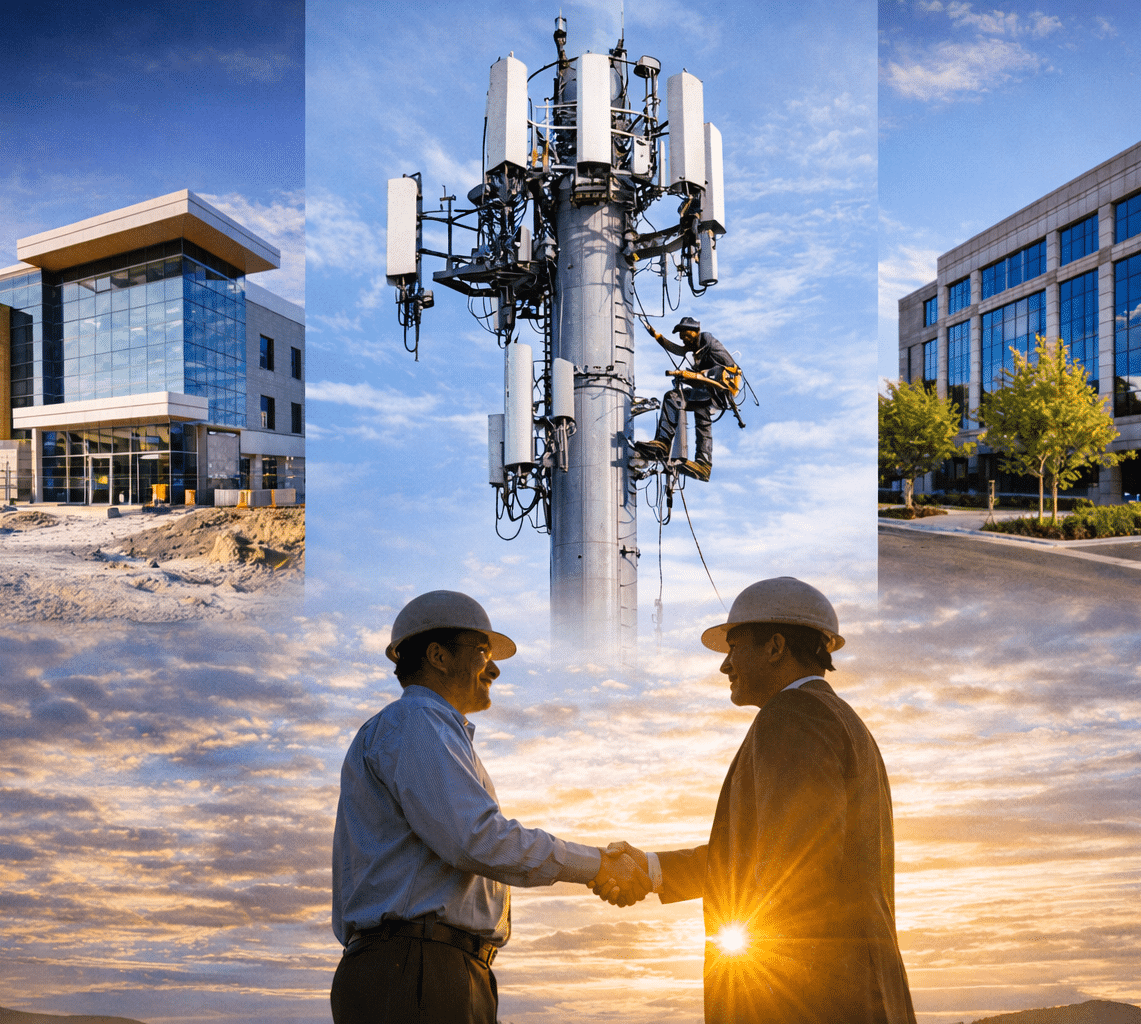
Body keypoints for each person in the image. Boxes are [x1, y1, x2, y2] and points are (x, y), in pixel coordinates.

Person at [594, 577, 917, 1024]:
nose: (725, 666)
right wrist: (653, 870)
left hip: (810, 1002)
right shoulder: (844, 721)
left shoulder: (792, 716)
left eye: (734, 646)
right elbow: (771, 854)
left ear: (775, 646)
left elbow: (795, 866)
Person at [331, 590, 651, 1024]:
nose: (496, 668)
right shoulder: (416, 723)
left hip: (429, 967)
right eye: (483, 651)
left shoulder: (420, 731)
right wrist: (596, 864)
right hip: (418, 971)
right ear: (438, 656)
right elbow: (477, 839)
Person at [633, 316, 739, 483]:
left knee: (673, 398)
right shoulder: (694, 346)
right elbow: (676, 349)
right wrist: (656, 335)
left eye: (685, 334)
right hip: (708, 390)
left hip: (719, 389)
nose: (682, 338)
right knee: (698, 411)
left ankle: (665, 445)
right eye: (680, 335)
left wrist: (691, 375)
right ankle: (700, 463)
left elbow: (727, 369)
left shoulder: (708, 342)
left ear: (695, 331)